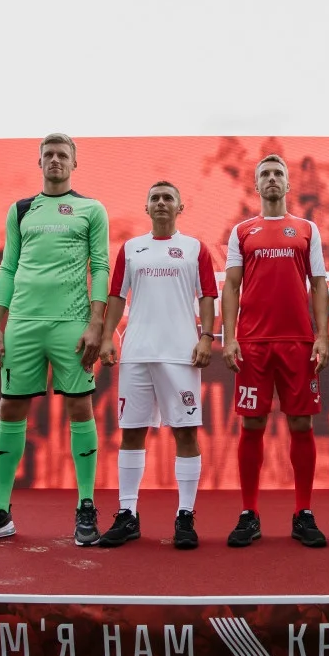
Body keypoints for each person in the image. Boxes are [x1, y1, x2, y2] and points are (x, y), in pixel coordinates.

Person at [0, 133, 110, 548]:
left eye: (62, 155)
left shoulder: (91, 209)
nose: (55, 160)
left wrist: (96, 324)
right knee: (10, 407)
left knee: (80, 408)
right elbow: (8, 268)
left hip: (71, 324)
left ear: (74, 163)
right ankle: (0, 511)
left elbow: (100, 267)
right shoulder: (21, 209)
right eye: (49, 155)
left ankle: (86, 506)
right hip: (22, 324)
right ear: (39, 162)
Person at [97, 181, 219, 550]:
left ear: (180, 207)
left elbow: (208, 295)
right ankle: (127, 513)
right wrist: (107, 337)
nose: (161, 202)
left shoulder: (195, 248)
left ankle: (185, 515)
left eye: (168, 198)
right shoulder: (132, 248)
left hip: (181, 354)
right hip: (136, 353)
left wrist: (206, 336)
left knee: (185, 434)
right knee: (132, 433)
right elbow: (116, 295)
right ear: (146, 207)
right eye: (155, 198)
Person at [222, 154, 329, 548]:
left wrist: (322, 336)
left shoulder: (306, 229)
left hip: (298, 342)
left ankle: (304, 512)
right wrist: (229, 337)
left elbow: (318, 284)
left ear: (288, 184)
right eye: (265, 174)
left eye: (278, 174)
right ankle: (249, 513)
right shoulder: (242, 231)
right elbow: (231, 285)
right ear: (256, 185)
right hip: (253, 343)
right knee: (252, 425)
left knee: (301, 424)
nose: (271, 179)